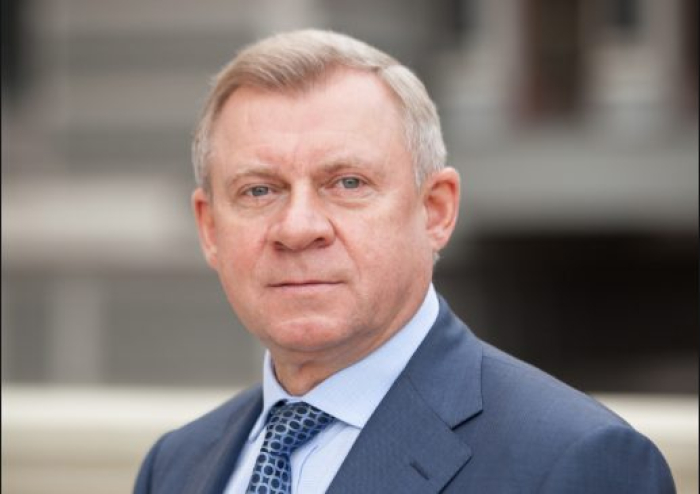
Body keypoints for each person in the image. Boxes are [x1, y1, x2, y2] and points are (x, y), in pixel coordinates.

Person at [133, 29, 675, 494]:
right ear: (209, 228)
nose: (297, 228)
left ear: (435, 211)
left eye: (347, 183)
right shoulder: (176, 467)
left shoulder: (577, 462)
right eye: (258, 190)